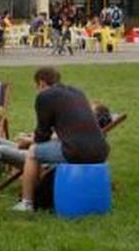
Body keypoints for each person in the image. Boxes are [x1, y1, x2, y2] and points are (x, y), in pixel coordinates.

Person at [12, 67, 108, 212]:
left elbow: (42, 135)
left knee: (33, 152)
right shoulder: (77, 92)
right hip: (101, 150)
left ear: (41, 83)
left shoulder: (45, 97)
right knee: (43, 149)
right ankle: (40, 195)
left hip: (76, 151)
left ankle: (27, 202)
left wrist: (27, 142)